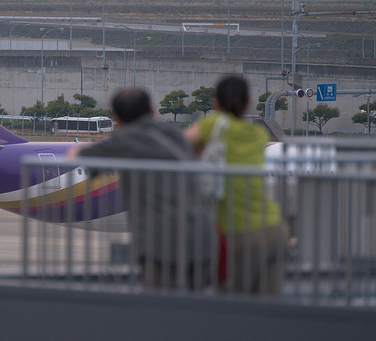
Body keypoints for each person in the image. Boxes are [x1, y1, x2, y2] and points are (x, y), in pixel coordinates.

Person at [68, 88, 214, 289]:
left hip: (162, 246)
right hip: (203, 238)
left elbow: (80, 159)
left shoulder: (124, 141)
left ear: (116, 119)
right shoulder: (174, 134)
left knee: (160, 307)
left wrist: (76, 150)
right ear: (153, 111)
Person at [184, 75, 287, 295]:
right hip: (274, 227)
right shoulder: (258, 134)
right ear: (248, 102)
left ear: (215, 103)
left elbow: (181, 144)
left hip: (239, 232)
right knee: (269, 307)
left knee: (233, 307)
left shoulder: (213, 126)